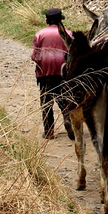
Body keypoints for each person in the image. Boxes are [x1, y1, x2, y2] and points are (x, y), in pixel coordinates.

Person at [31, 8, 75, 140]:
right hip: (64, 73)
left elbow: (34, 56)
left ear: (47, 21)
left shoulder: (40, 34)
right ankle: (68, 121)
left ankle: (49, 132)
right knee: (65, 100)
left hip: (45, 74)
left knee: (46, 103)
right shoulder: (68, 34)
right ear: (61, 19)